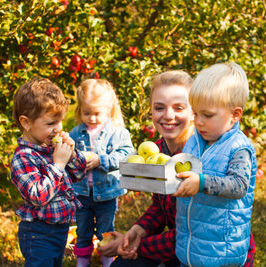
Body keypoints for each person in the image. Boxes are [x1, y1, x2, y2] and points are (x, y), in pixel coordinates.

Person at [98, 70, 255, 266]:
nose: (168, 115)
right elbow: (161, 206)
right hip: (183, 249)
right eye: (159, 108)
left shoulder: (203, 154)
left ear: (193, 110)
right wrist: (139, 230)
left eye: (179, 107)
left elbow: (194, 229)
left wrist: (140, 246)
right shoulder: (157, 152)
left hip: (208, 247)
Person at [173, 62, 257, 267]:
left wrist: (201, 182)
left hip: (221, 249)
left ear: (235, 115)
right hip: (191, 245)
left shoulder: (238, 147)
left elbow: (238, 185)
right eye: (195, 114)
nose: (198, 122)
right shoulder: (195, 140)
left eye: (207, 115)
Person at [10, 78, 87, 267]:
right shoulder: (23, 158)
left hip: (60, 230)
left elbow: (79, 174)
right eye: (51, 123)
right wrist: (58, 164)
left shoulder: (50, 147)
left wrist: (71, 153)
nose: (59, 128)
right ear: (26, 123)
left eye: (60, 121)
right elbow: (38, 196)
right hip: (38, 233)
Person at [69, 79, 134, 267]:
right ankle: (82, 262)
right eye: (86, 113)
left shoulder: (118, 133)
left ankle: (108, 262)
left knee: (106, 232)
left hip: (106, 195)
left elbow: (126, 156)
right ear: (79, 110)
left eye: (97, 113)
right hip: (81, 194)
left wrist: (100, 160)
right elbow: (69, 158)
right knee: (82, 231)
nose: (92, 118)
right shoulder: (76, 133)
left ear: (108, 110)